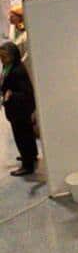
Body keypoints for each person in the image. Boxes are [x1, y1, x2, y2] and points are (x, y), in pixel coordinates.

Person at [0, 44, 33, 177]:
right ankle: (31, 156)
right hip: (16, 109)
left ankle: (27, 165)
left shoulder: (17, 70)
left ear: (13, 56)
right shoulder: (8, 67)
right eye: (0, 56)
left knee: (22, 136)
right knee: (26, 134)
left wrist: (11, 94)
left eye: (4, 56)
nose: (2, 59)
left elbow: (26, 93)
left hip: (20, 110)